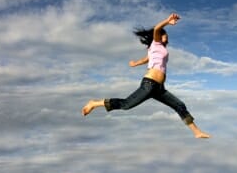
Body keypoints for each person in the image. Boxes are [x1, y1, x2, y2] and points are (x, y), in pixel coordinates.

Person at [82, 13, 210, 139]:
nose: (166, 35)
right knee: (126, 105)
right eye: (164, 34)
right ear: (159, 36)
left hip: (159, 88)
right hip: (149, 84)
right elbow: (157, 29)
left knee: (179, 105)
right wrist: (167, 21)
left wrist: (135, 63)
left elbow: (146, 59)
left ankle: (197, 132)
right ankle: (94, 103)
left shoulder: (157, 49)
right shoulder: (156, 43)